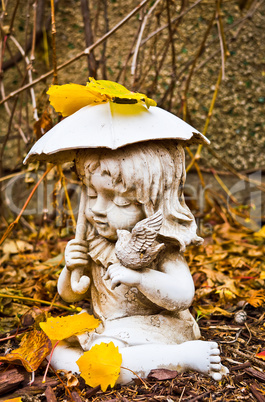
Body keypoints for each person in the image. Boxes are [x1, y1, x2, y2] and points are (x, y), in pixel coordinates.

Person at [52, 141, 227, 383]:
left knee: (109, 360)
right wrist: (70, 269)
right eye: (92, 195)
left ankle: (183, 356)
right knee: (56, 351)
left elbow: (183, 295)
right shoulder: (95, 244)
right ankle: (100, 366)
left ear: (152, 207)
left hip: (153, 327)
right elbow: (71, 295)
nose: (98, 209)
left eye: (120, 201)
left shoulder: (158, 248)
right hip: (108, 327)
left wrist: (141, 279)